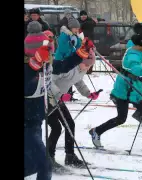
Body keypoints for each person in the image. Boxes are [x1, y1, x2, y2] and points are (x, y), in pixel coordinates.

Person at [89, 24, 142, 153]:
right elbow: (135, 68)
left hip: (135, 86)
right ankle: (96, 131)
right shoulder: (133, 54)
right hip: (124, 88)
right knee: (121, 118)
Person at [48, 41, 98, 171]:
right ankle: (48, 158)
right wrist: (59, 94)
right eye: (86, 65)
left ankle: (70, 156)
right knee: (56, 128)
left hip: (57, 100)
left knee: (70, 124)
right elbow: (48, 81)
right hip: (47, 99)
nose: (87, 68)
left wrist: (88, 93)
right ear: (80, 61)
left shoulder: (81, 70)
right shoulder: (68, 68)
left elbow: (78, 82)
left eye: (89, 66)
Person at [24, 21, 53, 180]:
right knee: (44, 164)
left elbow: (61, 67)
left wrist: (78, 56)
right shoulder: (28, 67)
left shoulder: (44, 65)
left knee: (31, 165)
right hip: (26, 121)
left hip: (37, 118)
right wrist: (32, 67)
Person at [54, 16, 83, 101]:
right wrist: (70, 45)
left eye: (78, 28)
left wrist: (82, 44)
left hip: (70, 59)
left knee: (71, 76)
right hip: (61, 59)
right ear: (70, 28)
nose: (77, 30)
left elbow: (78, 46)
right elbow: (63, 48)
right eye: (75, 28)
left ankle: (67, 95)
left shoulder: (75, 35)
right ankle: (59, 95)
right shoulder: (64, 35)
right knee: (63, 77)